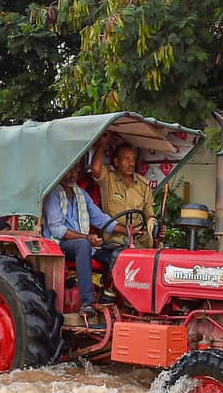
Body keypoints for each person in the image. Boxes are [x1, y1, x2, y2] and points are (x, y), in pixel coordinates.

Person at [42, 162, 128, 322]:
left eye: (76, 169)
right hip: (57, 245)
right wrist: (86, 238)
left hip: (83, 243)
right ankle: (87, 303)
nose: (73, 174)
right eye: (69, 169)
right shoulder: (52, 193)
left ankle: (110, 298)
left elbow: (101, 219)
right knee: (84, 245)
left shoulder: (81, 194)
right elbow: (57, 230)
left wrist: (128, 230)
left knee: (119, 253)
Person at [90, 137, 156, 248]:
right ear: (116, 162)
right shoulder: (108, 178)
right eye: (126, 159)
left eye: (133, 159)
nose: (131, 163)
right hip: (114, 240)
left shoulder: (144, 185)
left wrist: (151, 228)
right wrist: (102, 143)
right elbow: (95, 169)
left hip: (138, 239)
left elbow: (149, 215)